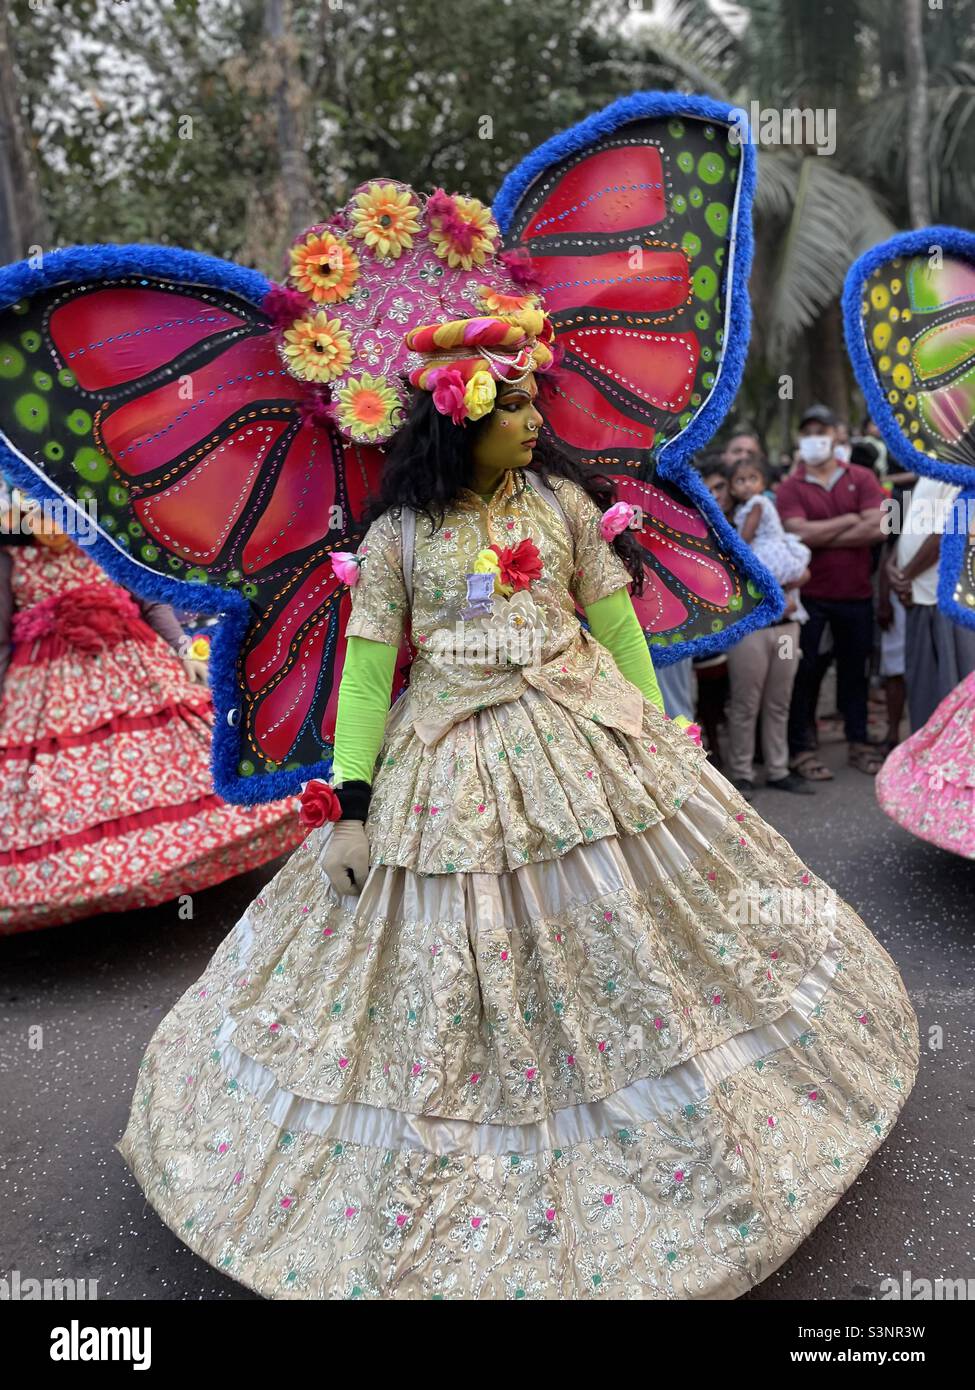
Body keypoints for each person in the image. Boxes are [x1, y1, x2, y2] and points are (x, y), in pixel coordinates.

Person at [115, 265, 918, 1300]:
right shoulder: (399, 537)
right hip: (442, 761)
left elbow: (617, 621)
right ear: (463, 417)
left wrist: (662, 728)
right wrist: (353, 809)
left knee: (647, 944)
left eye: (538, 399)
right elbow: (367, 678)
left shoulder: (568, 506)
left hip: (591, 738)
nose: (539, 418)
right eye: (519, 403)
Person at [0, 495, 305, 933]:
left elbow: (149, 600)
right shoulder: (11, 557)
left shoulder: (100, 536)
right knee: (72, 784)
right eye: (38, 514)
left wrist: (182, 646)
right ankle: (97, 880)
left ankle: (179, 862)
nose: (52, 525)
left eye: (58, 512)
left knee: (182, 758)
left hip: (139, 673)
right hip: (48, 697)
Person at [776, 404, 886, 779]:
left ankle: (859, 741)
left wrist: (821, 533)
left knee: (855, 671)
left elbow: (880, 528)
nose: (814, 439)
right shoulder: (791, 487)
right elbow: (795, 532)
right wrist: (852, 520)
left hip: (856, 594)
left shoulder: (863, 477)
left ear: (837, 435)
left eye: (821, 431)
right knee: (803, 671)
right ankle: (801, 748)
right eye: (807, 433)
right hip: (810, 598)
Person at [724, 458, 813, 797]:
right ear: (733, 488)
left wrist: (793, 585)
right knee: (746, 702)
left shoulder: (770, 527)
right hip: (752, 632)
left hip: (788, 629)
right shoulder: (733, 530)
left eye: (752, 477)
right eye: (739, 480)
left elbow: (801, 574)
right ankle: (742, 772)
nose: (746, 484)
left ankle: (778, 768)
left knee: (780, 700)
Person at [886, 477, 975, 731]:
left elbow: (950, 530)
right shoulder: (927, 474)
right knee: (926, 692)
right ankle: (927, 765)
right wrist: (895, 567)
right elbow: (908, 530)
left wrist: (905, 574)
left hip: (947, 599)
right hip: (920, 597)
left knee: (954, 694)